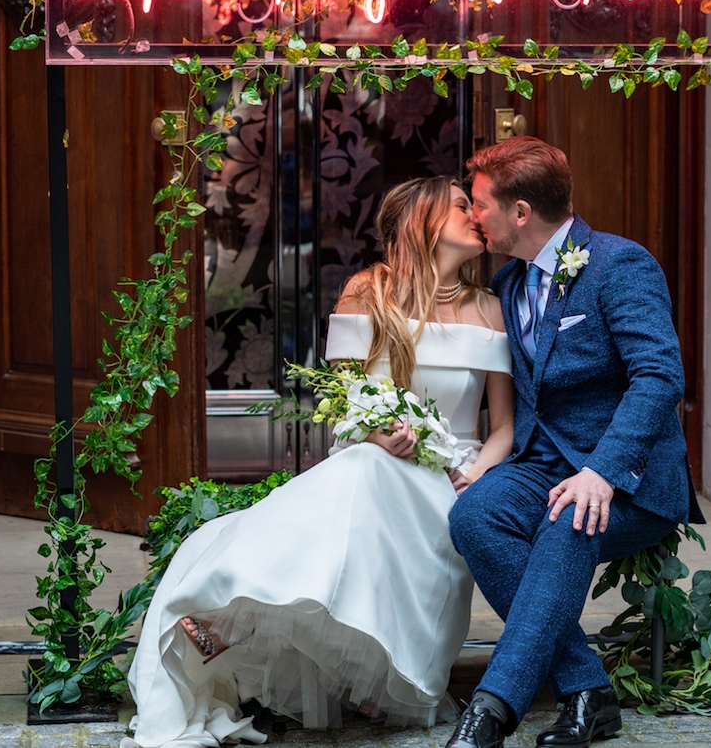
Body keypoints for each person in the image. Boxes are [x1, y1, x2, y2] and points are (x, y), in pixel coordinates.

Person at [122, 177, 515, 748]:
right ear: (423, 220)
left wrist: (477, 474)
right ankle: (246, 620)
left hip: (453, 474)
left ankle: (238, 623)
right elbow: (343, 403)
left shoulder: (490, 309)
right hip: (374, 458)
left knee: (364, 482)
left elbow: (503, 427)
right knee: (366, 469)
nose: (476, 216)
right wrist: (378, 434)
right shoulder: (367, 292)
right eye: (461, 206)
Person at [445, 137, 704, 748]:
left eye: (479, 203)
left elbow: (659, 376)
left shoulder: (619, 264)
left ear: (520, 212)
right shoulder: (509, 282)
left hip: (629, 480)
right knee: (475, 515)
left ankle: (490, 713)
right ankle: (588, 689)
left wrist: (602, 472)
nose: (473, 215)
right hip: (541, 464)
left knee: (569, 520)